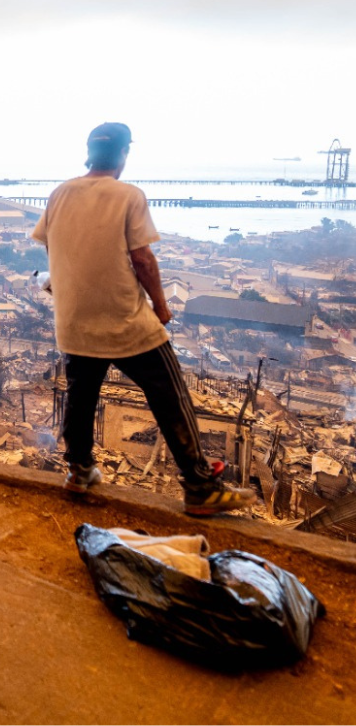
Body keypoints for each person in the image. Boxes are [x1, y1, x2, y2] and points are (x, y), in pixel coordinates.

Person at [32, 123, 256, 517]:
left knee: (81, 400)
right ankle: (200, 485)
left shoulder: (59, 193)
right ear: (123, 155)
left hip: (74, 322)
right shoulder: (129, 196)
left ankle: (79, 470)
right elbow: (143, 259)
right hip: (126, 322)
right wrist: (161, 306)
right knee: (171, 396)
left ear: (89, 153)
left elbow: (55, 247)